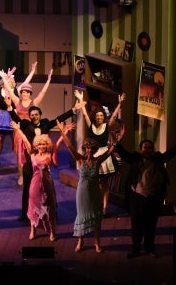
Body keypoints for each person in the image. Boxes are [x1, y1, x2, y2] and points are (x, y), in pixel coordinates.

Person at [8, 98, 86, 224]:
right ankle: (25, 213)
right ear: (29, 116)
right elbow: (15, 118)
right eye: (32, 115)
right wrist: (10, 108)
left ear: (40, 115)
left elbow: (58, 119)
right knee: (28, 187)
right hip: (31, 160)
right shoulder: (26, 124)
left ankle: (50, 211)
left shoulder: (45, 124)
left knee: (47, 187)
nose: (34, 117)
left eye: (36, 114)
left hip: (43, 161)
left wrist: (74, 110)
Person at [56, 119, 121, 253]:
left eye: (91, 148)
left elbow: (110, 151)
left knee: (97, 217)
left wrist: (118, 139)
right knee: (82, 215)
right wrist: (63, 133)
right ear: (84, 149)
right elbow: (69, 147)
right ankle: (80, 240)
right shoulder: (80, 159)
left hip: (95, 192)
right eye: (87, 148)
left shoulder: (98, 160)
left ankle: (97, 242)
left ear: (95, 149)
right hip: (83, 192)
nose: (89, 150)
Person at [115, 131, 176, 259]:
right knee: (136, 225)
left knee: (151, 225)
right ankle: (136, 249)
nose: (147, 150)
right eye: (145, 147)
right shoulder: (135, 158)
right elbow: (124, 154)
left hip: (153, 198)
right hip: (137, 198)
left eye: (150, 148)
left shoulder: (158, 158)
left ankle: (150, 248)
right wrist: (116, 141)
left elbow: (171, 152)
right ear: (140, 149)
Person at [0, 63, 52, 186]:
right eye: (23, 92)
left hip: (31, 132)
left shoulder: (34, 102)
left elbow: (43, 92)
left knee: (33, 153)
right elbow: (9, 90)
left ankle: (34, 173)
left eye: (27, 92)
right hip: (19, 131)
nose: (25, 94)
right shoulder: (17, 101)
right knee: (20, 156)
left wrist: (49, 79)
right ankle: (21, 175)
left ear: (30, 94)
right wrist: (4, 78)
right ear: (21, 93)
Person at [75, 90, 125, 216]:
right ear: (95, 117)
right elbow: (85, 114)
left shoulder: (106, 126)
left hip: (104, 157)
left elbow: (113, 117)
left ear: (104, 117)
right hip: (93, 155)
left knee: (104, 184)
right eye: (97, 116)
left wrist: (119, 104)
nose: (99, 118)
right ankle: (93, 205)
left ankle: (104, 208)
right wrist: (81, 100)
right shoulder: (90, 126)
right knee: (92, 183)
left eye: (101, 116)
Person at [11, 120, 58, 242]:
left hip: (47, 184)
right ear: (36, 145)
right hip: (35, 184)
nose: (42, 146)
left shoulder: (49, 153)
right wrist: (18, 129)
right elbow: (26, 140)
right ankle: (33, 230)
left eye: (43, 144)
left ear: (46, 145)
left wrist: (64, 132)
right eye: (39, 144)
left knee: (49, 207)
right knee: (33, 206)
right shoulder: (32, 154)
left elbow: (58, 144)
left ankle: (52, 231)